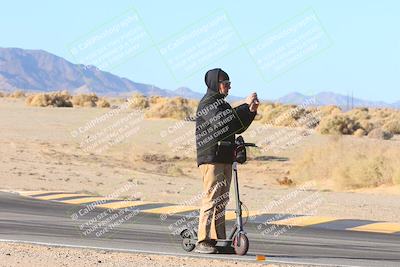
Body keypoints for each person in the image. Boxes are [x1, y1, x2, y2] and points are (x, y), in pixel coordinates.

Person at [195, 68, 259, 254]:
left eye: (230, 83)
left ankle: (219, 240)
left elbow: (236, 126)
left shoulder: (222, 105)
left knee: (222, 200)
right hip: (211, 158)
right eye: (226, 83)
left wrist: (250, 111)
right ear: (216, 84)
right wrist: (243, 105)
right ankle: (203, 241)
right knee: (211, 198)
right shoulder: (207, 104)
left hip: (225, 156)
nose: (229, 87)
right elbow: (222, 124)